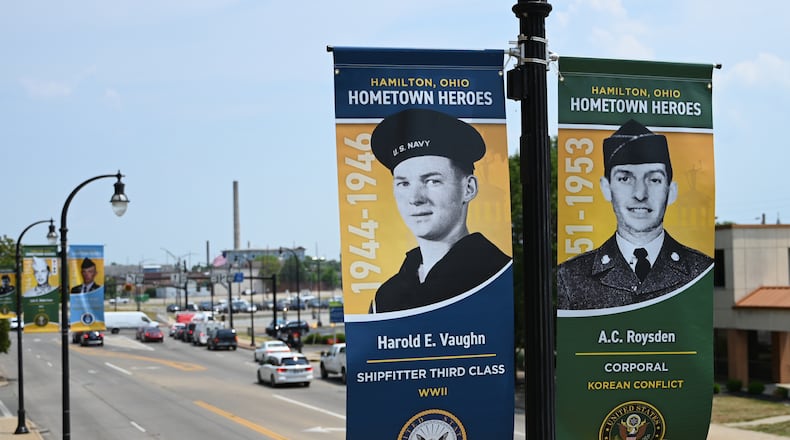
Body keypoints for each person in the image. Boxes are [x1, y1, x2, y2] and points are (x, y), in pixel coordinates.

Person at [557, 119, 713, 310]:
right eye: (625, 178)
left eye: (654, 179)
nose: (640, 194)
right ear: (606, 188)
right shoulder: (571, 277)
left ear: (671, 191)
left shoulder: (702, 270)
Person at [368, 108, 510, 313]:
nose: (415, 199)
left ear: (468, 189)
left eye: (433, 181)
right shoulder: (386, 296)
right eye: (404, 184)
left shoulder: (497, 275)